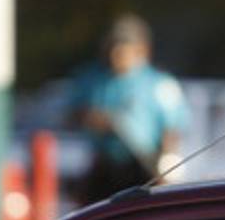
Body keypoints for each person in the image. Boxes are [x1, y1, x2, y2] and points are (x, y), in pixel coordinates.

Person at [68, 13, 189, 203]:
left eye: (123, 48)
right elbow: (73, 114)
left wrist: (165, 167)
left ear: (141, 50)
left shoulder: (159, 84)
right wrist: (94, 119)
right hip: (104, 166)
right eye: (112, 47)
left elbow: (172, 128)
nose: (115, 55)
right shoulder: (93, 79)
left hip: (143, 165)